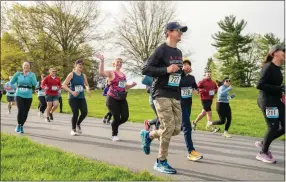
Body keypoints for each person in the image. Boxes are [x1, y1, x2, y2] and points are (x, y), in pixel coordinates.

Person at [140, 21, 188, 174]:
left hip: (175, 93)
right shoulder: (161, 50)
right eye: (178, 30)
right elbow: (146, 69)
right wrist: (166, 69)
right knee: (167, 127)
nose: (181, 33)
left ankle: (149, 135)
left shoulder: (179, 53)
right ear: (169, 32)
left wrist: (184, 71)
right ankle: (161, 161)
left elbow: (176, 73)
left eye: (182, 31)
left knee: (176, 129)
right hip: (160, 92)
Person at [255, 44, 285, 163]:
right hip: (267, 100)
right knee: (273, 127)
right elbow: (259, 85)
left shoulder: (278, 69)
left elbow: (277, 87)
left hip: (276, 100)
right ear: (274, 53)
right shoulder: (268, 67)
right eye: (283, 50)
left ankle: (264, 142)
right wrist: (280, 88)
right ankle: (263, 153)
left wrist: (281, 91)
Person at [97, 55, 137, 141]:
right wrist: (102, 61)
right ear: (114, 64)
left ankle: (114, 124)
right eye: (117, 62)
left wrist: (131, 85)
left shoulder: (123, 75)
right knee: (117, 117)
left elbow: (124, 87)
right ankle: (114, 134)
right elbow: (101, 73)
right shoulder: (111, 73)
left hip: (122, 98)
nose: (119, 64)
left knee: (125, 117)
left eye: (120, 62)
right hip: (112, 98)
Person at [179, 58, 203, 161]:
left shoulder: (192, 78)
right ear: (181, 66)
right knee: (187, 126)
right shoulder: (178, 76)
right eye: (184, 64)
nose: (187, 66)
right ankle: (191, 151)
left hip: (188, 104)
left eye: (188, 64)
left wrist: (197, 91)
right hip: (179, 104)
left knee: (178, 127)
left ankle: (153, 124)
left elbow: (195, 88)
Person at [62, 60, 91, 136]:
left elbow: (86, 84)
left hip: (81, 97)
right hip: (73, 97)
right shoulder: (71, 74)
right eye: (79, 64)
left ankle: (78, 123)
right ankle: (73, 129)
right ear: (75, 65)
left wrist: (87, 89)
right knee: (75, 114)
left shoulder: (83, 75)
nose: (81, 66)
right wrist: (72, 92)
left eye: (82, 65)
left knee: (84, 112)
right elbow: (64, 85)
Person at [9, 61, 37, 133]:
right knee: (21, 110)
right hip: (19, 94)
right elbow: (11, 82)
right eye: (25, 65)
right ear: (22, 66)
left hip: (28, 96)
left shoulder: (32, 75)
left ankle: (21, 126)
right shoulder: (18, 74)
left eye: (27, 65)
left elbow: (35, 84)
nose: (26, 67)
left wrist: (33, 80)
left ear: (29, 67)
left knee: (25, 112)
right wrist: (12, 86)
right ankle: (18, 124)